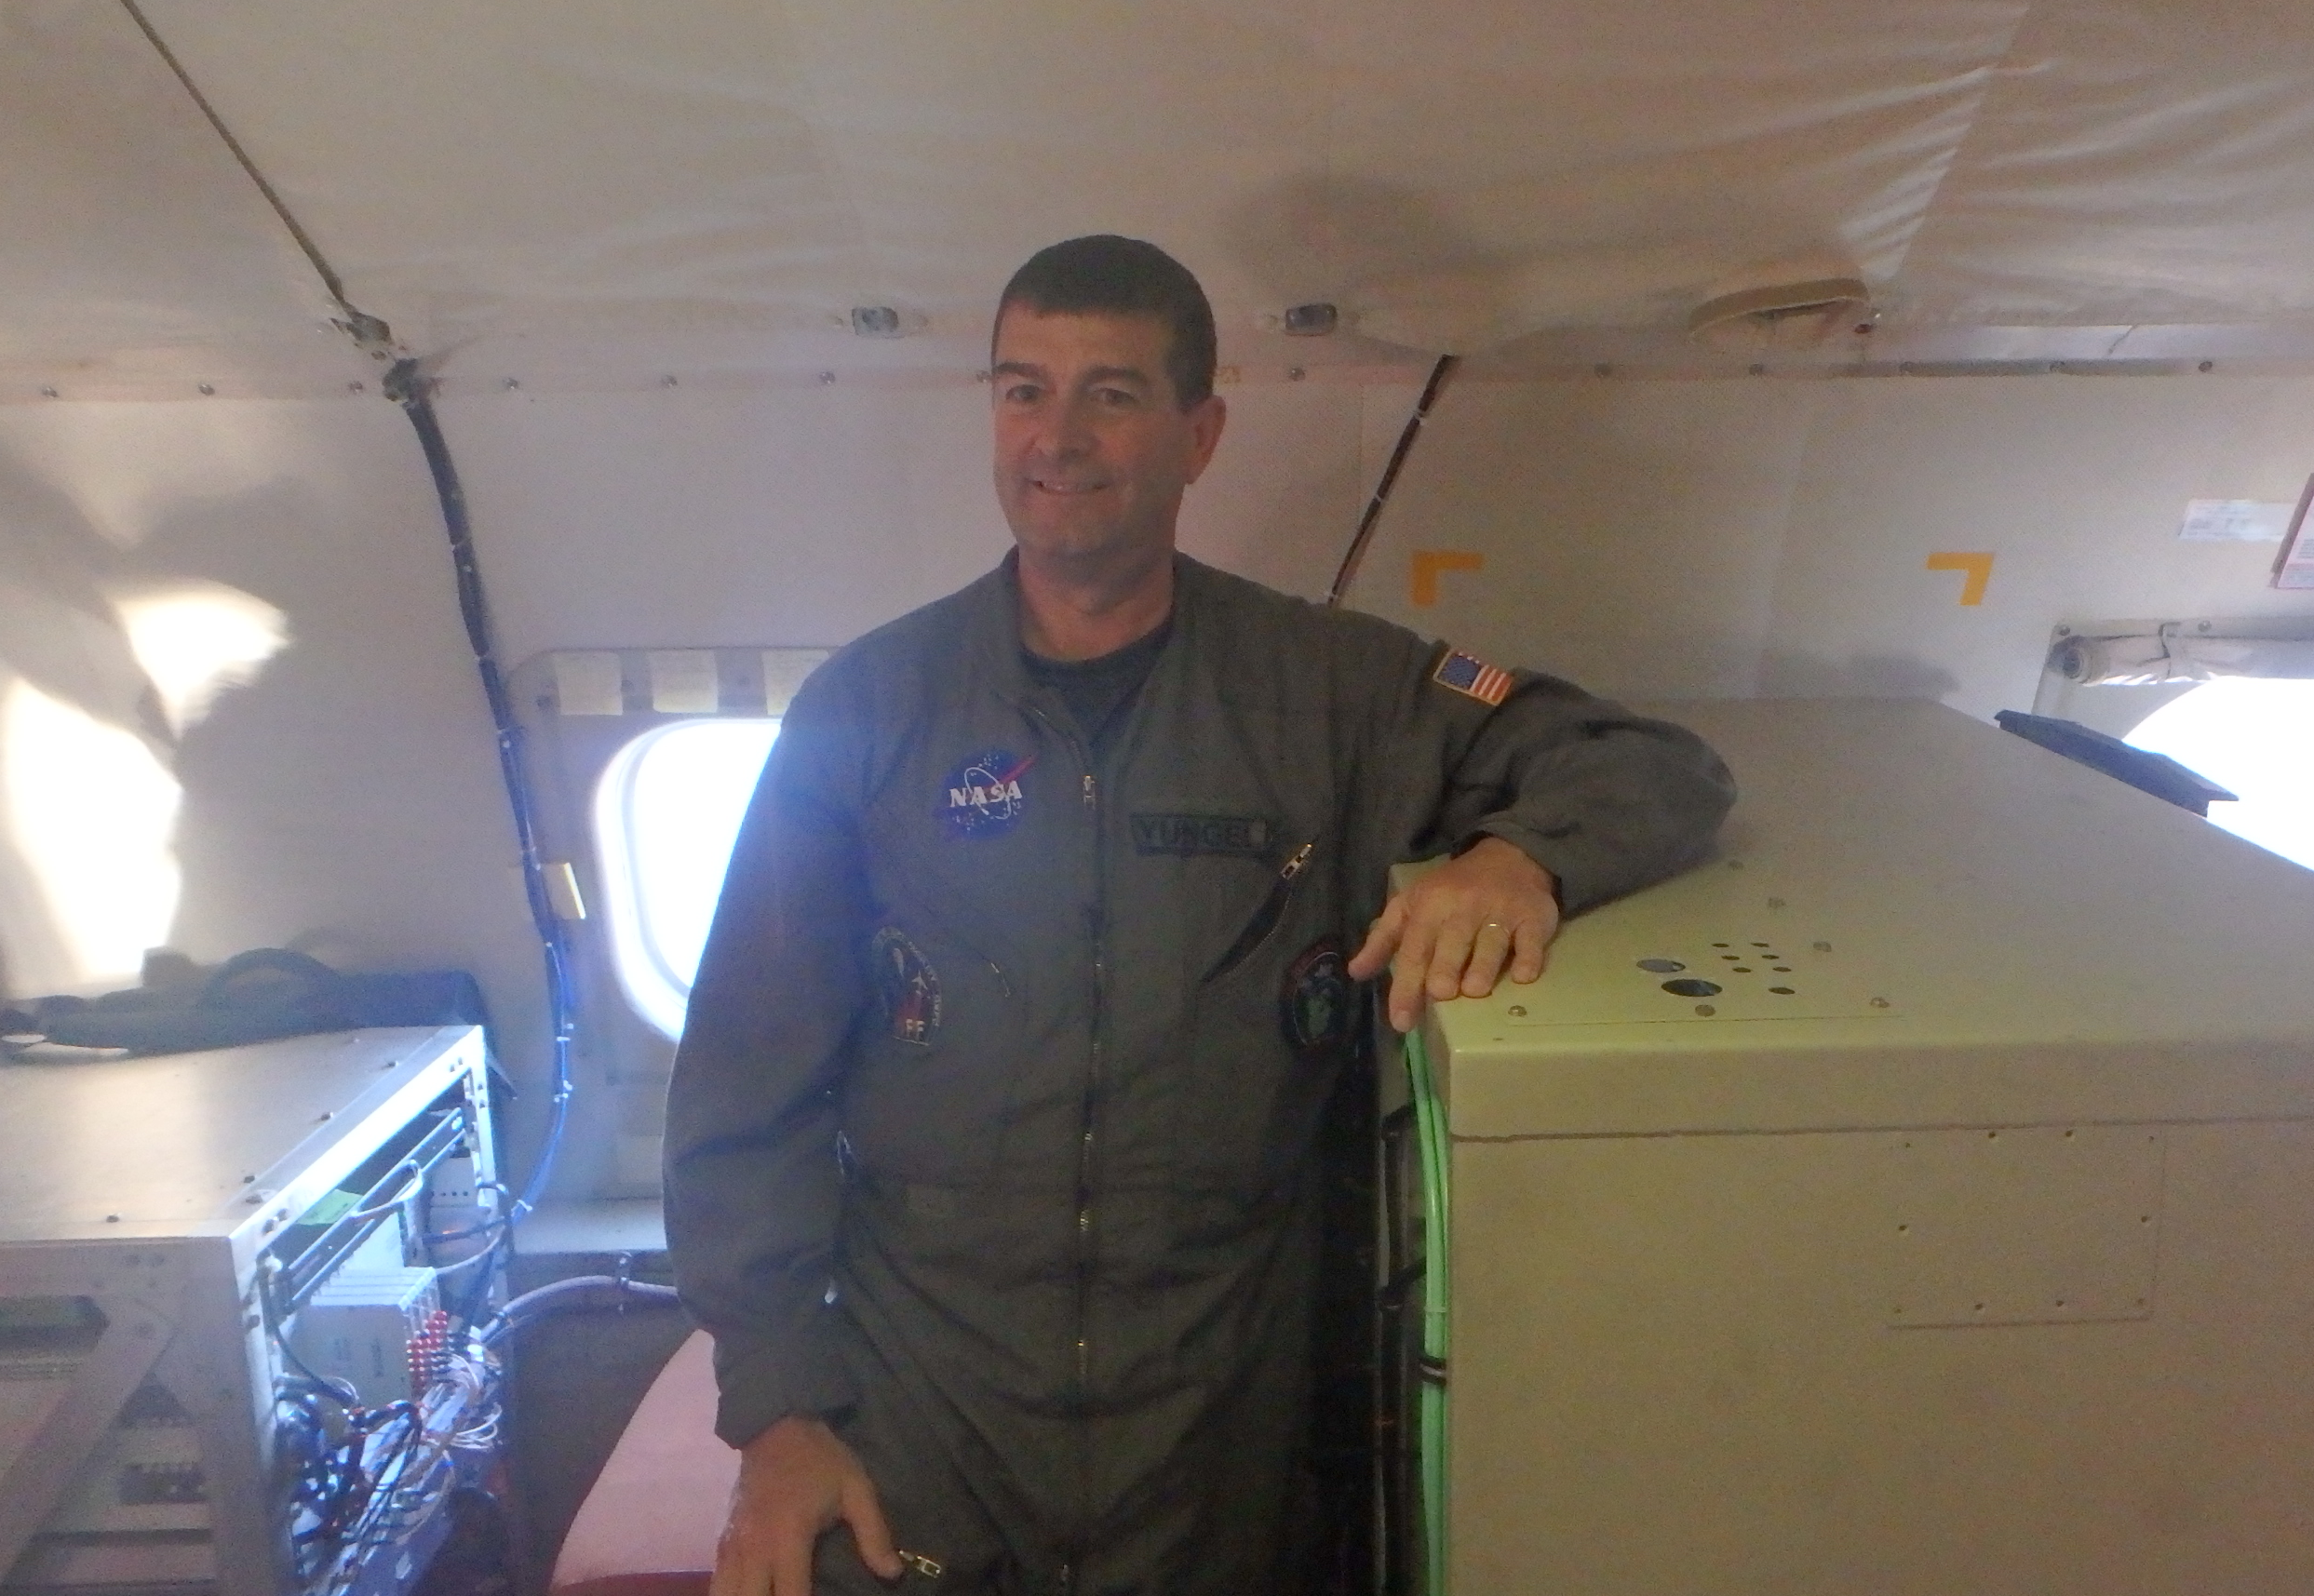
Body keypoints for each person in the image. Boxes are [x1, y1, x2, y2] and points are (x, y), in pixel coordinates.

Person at [664, 235, 1734, 1596]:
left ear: (1199, 434)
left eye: (1110, 394)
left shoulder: (1329, 690)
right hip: (925, 1403)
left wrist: (1520, 859)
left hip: (1217, 1416)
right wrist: (775, 1418)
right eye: (1022, 390)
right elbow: (744, 1086)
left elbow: (1647, 765)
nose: (1057, 438)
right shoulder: (870, 706)